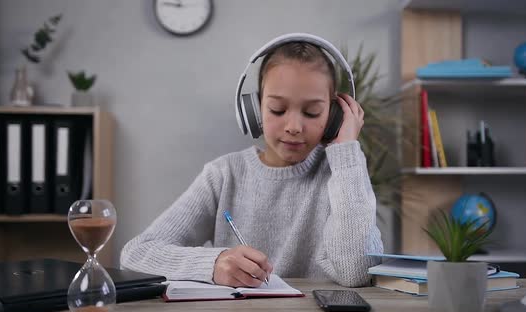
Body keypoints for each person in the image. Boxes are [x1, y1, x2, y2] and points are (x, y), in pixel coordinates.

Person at [121, 34, 383, 288]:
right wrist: (212, 263)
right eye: (277, 110)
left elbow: (357, 271)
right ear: (254, 109)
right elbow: (135, 255)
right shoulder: (223, 175)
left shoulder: (343, 176)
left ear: (335, 115)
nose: (294, 126)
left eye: (312, 112)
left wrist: (346, 151)